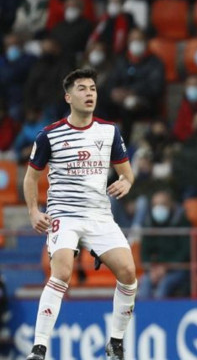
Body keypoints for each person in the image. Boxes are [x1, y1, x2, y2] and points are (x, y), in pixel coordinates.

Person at [24, 68, 137, 360]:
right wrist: (34, 211)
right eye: (83, 89)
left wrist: (126, 182)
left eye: (93, 89)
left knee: (128, 273)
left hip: (99, 215)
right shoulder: (49, 135)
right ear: (68, 96)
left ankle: (115, 342)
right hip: (65, 214)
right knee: (62, 271)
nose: (90, 94)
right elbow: (30, 178)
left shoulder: (109, 131)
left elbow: (127, 173)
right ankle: (39, 348)